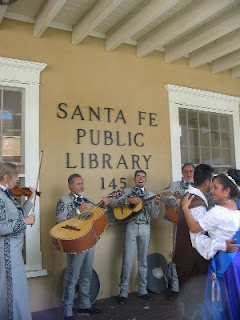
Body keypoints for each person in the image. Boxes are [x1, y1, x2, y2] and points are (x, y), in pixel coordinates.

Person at [182, 169, 240, 320]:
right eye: (212, 186)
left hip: (225, 264)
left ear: (227, 191)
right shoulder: (237, 206)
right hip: (237, 259)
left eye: (216, 187)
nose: (212, 190)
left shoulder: (217, 213)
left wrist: (185, 208)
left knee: (224, 301)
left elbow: (194, 228)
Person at [108, 169, 160, 304]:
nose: (141, 178)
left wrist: (156, 204)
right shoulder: (127, 192)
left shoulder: (151, 195)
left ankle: (143, 290)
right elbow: (112, 203)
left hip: (145, 227)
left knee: (143, 260)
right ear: (135, 179)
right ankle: (123, 292)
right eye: (138, 176)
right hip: (131, 226)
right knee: (127, 260)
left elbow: (154, 215)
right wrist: (128, 200)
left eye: (143, 177)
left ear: (146, 180)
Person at [56, 173, 102, 320]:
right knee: (72, 276)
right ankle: (67, 309)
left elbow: (96, 219)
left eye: (82, 183)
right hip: (75, 242)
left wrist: (102, 207)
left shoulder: (89, 201)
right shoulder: (63, 200)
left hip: (90, 242)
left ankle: (85, 304)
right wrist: (78, 211)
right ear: (70, 186)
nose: (81, 186)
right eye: (78, 184)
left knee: (86, 275)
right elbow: (60, 220)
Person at [0, 162, 36, 320]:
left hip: (14, 250)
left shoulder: (7, 194)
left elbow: (19, 215)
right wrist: (25, 222)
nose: (17, 181)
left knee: (18, 290)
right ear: (6, 177)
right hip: (7, 251)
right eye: (15, 177)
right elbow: (1, 227)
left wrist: (30, 199)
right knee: (11, 291)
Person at [161, 162, 194, 301]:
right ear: (182, 173)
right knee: (177, 254)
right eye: (186, 171)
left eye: (191, 171)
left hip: (194, 225)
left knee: (193, 255)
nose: (189, 174)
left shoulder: (198, 187)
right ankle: (175, 288)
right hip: (179, 224)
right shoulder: (175, 185)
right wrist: (177, 202)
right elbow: (163, 195)